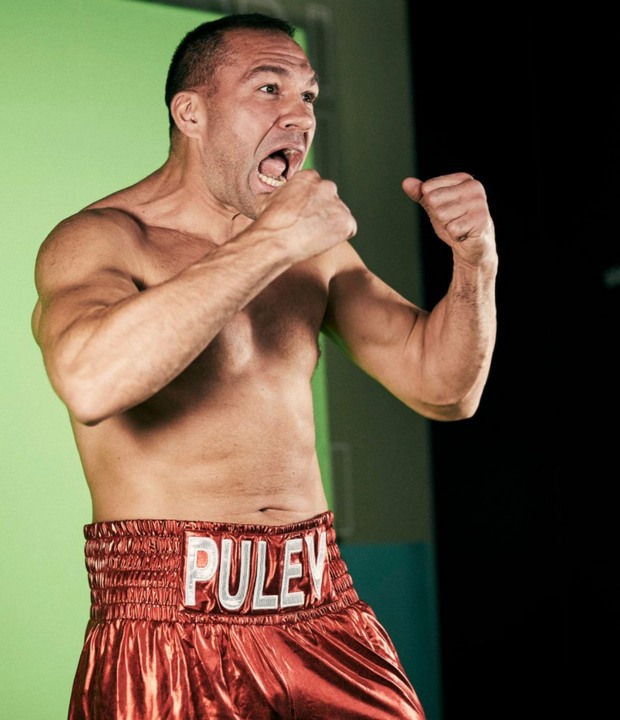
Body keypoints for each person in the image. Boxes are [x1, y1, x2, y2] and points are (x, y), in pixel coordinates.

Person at [31, 12, 497, 720]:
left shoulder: (310, 247)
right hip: (169, 624)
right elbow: (91, 381)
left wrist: (475, 262)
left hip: (322, 606)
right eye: (269, 87)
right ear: (190, 113)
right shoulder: (102, 240)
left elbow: (443, 389)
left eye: (308, 95)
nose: (299, 114)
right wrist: (273, 242)